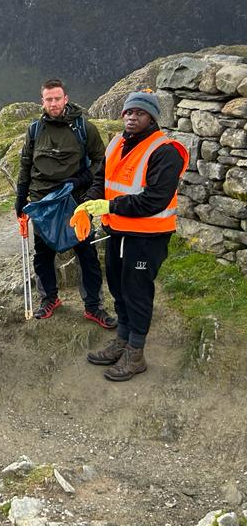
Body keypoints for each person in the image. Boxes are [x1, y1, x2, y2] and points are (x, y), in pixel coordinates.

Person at [74, 91, 188, 382]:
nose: (131, 117)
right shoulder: (116, 143)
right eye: (128, 112)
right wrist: (88, 204)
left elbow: (155, 199)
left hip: (147, 237)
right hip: (118, 233)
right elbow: (101, 179)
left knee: (137, 292)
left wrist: (110, 206)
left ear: (152, 117)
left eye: (139, 113)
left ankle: (135, 354)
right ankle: (122, 341)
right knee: (118, 287)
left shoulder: (166, 150)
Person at [16, 79, 115, 326]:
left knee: (87, 254)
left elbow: (101, 163)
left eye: (57, 98)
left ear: (65, 99)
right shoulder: (34, 130)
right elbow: (26, 165)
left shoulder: (84, 128)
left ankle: (93, 306)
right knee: (43, 254)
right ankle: (49, 299)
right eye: (48, 99)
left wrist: (81, 180)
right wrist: (20, 199)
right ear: (43, 101)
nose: (53, 103)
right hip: (42, 204)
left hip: (75, 202)